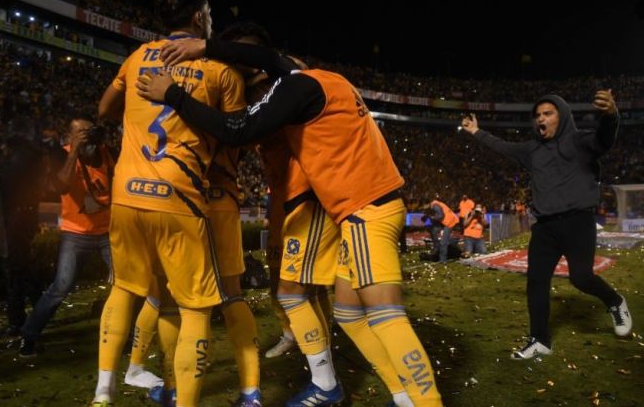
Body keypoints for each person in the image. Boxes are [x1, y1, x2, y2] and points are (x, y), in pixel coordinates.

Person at [137, 37, 443, 407]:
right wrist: (204, 47)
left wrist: (174, 95)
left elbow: (238, 129)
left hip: (364, 210)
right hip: (364, 209)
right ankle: (401, 395)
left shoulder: (296, 89)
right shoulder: (320, 81)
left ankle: (425, 401)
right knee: (348, 313)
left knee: (384, 315)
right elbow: (268, 58)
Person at [92, 0, 247, 407]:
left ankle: (103, 391)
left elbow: (104, 110)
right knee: (195, 308)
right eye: (209, 12)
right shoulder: (221, 71)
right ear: (198, 17)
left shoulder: (138, 57)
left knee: (126, 290)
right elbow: (236, 136)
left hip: (127, 195)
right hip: (180, 196)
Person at [461, 91, 634, 359]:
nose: (540, 119)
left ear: (562, 116)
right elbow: (502, 146)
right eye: (537, 115)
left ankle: (615, 301)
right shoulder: (531, 150)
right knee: (536, 282)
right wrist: (475, 132)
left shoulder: (580, 141)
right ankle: (540, 340)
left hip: (578, 222)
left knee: (581, 277)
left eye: (547, 113)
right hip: (544, 228)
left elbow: (605, 138)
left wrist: (611, 115)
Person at [18, 118, 115, 357]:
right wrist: (75, 153)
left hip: (107, 232)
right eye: (81, 133)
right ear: (70, 136)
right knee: (61, 286)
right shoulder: (61, 155)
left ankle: (125, 333)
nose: (86, 136)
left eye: (89, 131)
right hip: (76, 232)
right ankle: (28, 336)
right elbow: (60, 186)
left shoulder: (105, 152)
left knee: (125, 283)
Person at [0, 134, 47, 336]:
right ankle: (39, 309)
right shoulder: (31, 162)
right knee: (23, 269)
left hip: (17, 220)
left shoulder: (16, 166)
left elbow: (3, 185)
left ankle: (18, 320)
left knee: (17, 270)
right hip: (25, 218)